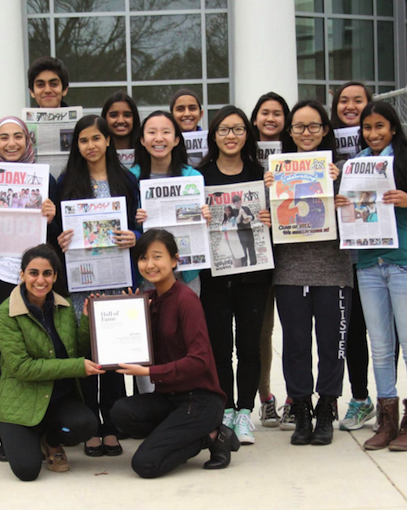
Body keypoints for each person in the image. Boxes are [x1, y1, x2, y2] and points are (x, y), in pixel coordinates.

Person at [335, 101, 407, 452]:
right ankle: (386, 422)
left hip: (406, 263)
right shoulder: (355, 166)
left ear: (393, 128)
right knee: (381, 348)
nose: (373, 133)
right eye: (367, 128)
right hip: (369, 264)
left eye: (380, 126)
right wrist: (343, 202)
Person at [111, 229, 240, 478]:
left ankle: (213, 435)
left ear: (174, 260)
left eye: (157, 257)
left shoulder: (186, 300)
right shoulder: (145, 301)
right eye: (143, 258)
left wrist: (149, 372)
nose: (150, 265)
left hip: (199, 401)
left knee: (145, 464)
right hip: (168, 398)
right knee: (121, 412)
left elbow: (200, 360)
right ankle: (179, 432)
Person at [0, 115, 60, 462]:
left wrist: (53, 218)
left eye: (18, 137)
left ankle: (43, 426)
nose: (11, 143)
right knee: (5, 354)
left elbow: (58, 239)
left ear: (28, 141)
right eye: (4, 137)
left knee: (42, 347)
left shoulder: (46, 180)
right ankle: (9, 430)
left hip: (36, 280)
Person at [57, 115, 140, 457]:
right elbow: (55, 233)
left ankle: (113, 425)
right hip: (82, 284)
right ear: (77, 145)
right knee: (88, 356)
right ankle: (92, 426)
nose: (90, 145)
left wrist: (134, 237)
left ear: (108, 141)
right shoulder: (66, 182)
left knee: (114, 355)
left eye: (96, 138)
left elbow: (142, 228)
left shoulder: (128, 180)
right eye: (83, 140)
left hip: (118, 280)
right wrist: (58, 238)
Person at [273, 100, 350, 446]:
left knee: (332, 344)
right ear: (289, 132)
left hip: (333, 269)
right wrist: (266, 190)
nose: (306, 133)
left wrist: (340, 188)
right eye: (299, 127)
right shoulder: (274, 171)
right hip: (290, 270)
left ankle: (327, 407)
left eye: (313, 126)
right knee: (295, 343)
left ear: (325, 129)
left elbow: (359, 213)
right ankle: (301, 406)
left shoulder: (345, 170)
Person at [196, 105, 272, 446]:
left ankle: (245, 411)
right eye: (224, 130)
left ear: (247, 134)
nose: (231, 136)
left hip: (254, 273)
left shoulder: (262, 174)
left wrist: (273, 218)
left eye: (238, 129)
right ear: (213, 135)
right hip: (214, 274)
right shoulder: (200, 177)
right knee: (219, 345)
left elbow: (281, 222)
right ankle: (225, 407)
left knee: (250, 345)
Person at [0, 244, 100, 481]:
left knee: (86, 426)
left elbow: (77, 352)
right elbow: (22, 367)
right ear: (21, 275)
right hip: (21, 406)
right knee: (27, 471)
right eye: (33, 273)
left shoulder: (63, 307)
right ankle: (29, 436)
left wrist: (85, 322)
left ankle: (52, 440)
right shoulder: (5, 313)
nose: (40, 280)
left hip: (57, 403)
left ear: (55, 277)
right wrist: (76, 367)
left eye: (47, 273)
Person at [330, 82, 396, 433]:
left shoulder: (393, 156)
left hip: (385, 254)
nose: (350, 106)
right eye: (344, 101)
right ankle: (360, 398)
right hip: (350, 257)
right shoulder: (332, 150)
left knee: (388, 332)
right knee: (353, 331)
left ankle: (391, 400)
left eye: (358, 100)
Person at [130, 111, 209, 297]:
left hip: (185, 272)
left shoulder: (193, 177)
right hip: (147, 274)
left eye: (166, 132)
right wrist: (134, 221)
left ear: (176, 140)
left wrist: (205, 217)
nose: (159, 138)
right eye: (151, 132)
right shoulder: (130, 179)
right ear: (142, 139)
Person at [249, 92, 291, 429]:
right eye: (265, 113)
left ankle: (295, 398)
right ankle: (265, 397)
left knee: (294, 329)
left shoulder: (299, 156)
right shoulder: (245, 157)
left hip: (292, 254)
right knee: (262, 331)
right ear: (255, 119)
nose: (271, 118)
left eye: (278, 113)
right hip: (256, 257)